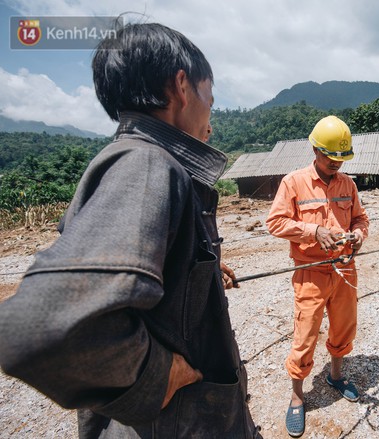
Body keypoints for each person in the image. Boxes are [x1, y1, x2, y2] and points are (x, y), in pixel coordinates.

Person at [0, 22, 261, 438]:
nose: (209, 115)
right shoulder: (146, 165)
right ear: (181, 86)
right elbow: (39, 329)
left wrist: (201, 276)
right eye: (208, 98)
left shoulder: (137, 160)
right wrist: (156, 373)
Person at [266, 115, 369, 437]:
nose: (336, 163)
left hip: (345, 270)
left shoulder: (348, 184)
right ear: (315, 149)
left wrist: (357, 235)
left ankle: (335, 376)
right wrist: (313, 230)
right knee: (305, 334)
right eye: (330, 157)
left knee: (343, 327)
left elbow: (361, 219)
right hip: (309, 272)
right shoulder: (293, 182)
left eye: (342, 158)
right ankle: (298, 396)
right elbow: (276, 223)